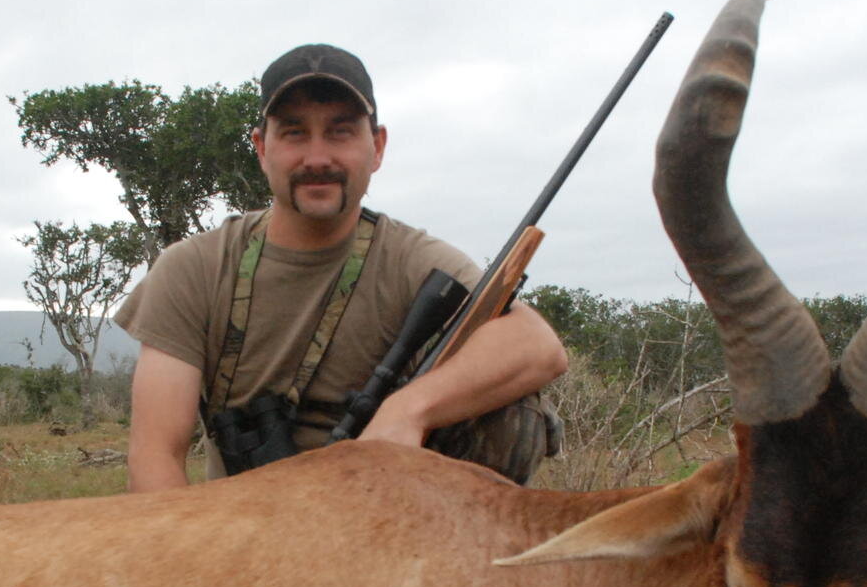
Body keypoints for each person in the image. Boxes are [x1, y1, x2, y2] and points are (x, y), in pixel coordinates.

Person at [114, 43, 568, 492]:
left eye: (340, 131)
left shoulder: (417, 260)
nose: (317, 158)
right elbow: (156, 455)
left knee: (514, 413)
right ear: (261, 148)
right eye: (294, 133)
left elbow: (539, 346)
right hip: (242, 532)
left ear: (377, 146)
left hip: (385, 521)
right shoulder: (192, 267)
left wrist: (407, 411)